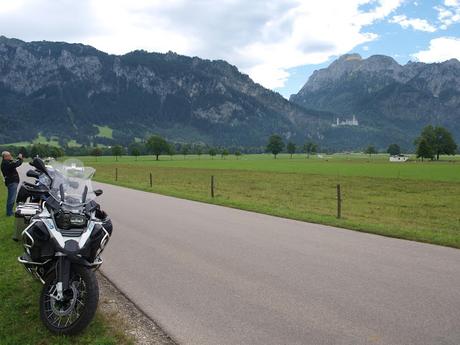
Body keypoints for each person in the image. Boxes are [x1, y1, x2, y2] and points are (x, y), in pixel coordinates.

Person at [1, 151, 23, 216]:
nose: (11, 156)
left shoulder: (7, 162)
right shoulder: (6, 163)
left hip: (12, 182)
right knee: (11, 198)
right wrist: (20, 158)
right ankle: (9, 213)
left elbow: (15, 163)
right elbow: (15, 164)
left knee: (11, 197)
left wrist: (19, 159)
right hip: (12, 182)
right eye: (9, 155)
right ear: (5, 157)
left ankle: (10, 212)